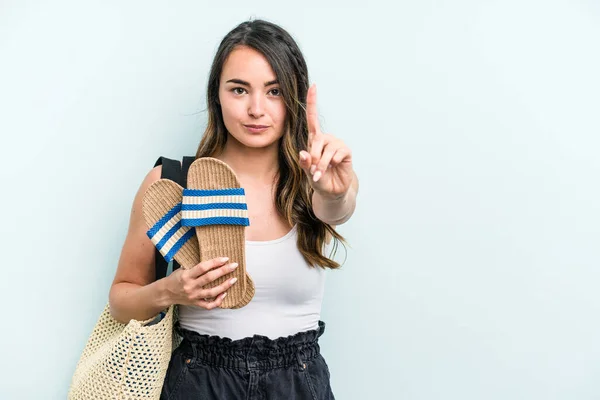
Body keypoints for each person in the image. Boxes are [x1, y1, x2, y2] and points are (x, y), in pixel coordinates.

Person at [109, 19, 358, 399]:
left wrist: (335, 190)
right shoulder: (173, 183)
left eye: (273, 91)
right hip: (199, 380)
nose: (256, 109)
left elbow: (337, 208)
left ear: (293, 97)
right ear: (217, 96)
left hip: (297, 382)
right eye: (239, 89)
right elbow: (121, 300)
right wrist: (170, 291)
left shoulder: (318, 178)